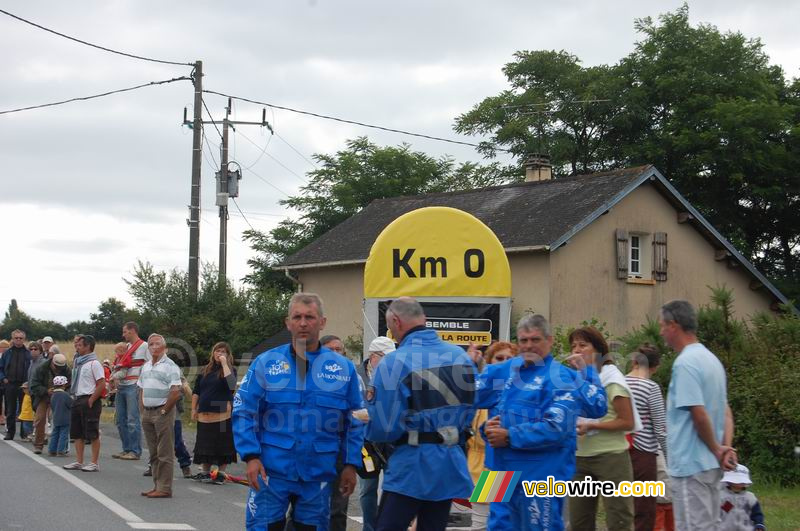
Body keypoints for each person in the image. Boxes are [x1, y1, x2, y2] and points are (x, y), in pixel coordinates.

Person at [233, 293, 364, 531]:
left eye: (310, 317)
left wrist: (351, 464)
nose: (303, 323)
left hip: (318, 474)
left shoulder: (343, 369)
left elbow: (356, 419)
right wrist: (251, 456)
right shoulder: (266, 364)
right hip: (271, 472)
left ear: (322, 322)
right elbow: (244, 411)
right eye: (297, 317)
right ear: (288, 322)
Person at [471, 314, 608, 531]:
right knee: (489, 524)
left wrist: (588, 371)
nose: (528, 346)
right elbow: (465, 395)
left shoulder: (561, 377)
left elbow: (585, 412)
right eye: (523, 341)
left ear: (550, 340)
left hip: (539, 474)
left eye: (535, 340)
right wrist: (485, 429)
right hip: (496, 470)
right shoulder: (504, 372)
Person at [366, 297, 476, 531]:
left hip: (412, 466)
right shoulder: (461, 356)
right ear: (423, 318)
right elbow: (471, 409)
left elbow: (385, 428)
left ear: (395, 321)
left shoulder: (393, 363)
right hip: (450, 462)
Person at [660, 300, 736, 530]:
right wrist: (726, 448)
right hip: (710, 465)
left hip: (690, 465)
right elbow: (725, 411)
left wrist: (716, 447)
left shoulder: (685, 363)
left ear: (674, 325)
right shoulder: (712, 360)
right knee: (709, 525)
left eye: (663, 326)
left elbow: (698, 413)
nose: (662, 332)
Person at [568, 326, 640, 531]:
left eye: (583, 345)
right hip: (580, 457)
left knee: (619, 520)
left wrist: (592, 424)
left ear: (598, 350)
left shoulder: (611, 379)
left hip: (611, 458)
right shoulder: (575, 380)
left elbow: (628, 422)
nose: (577, 350)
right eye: (573, 346)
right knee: (579, 521)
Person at [465, 341, 516, 531]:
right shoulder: (487, 386)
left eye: (509, 359)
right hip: (476, 464)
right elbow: (467, 392)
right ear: (489, 361)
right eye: (499, 358)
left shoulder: (516, 389)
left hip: (500, 465)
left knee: (499, 522)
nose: (503, 363)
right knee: (479, 523)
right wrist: (470, 363)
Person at [626, 343, 668, 531]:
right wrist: (669, 456)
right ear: (655, 367)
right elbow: (660, 429)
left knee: (623, 506)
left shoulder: (617, 383)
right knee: (644, 509)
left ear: (634, 361)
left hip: (618, 452)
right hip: (644, 454)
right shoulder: (651, 388)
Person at [356, 335, 396, 531]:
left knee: (392, 488)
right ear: (372, 357)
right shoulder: (357, 376)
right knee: (367, 489)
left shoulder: (396, 374)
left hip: (390, 442)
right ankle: (370, 528)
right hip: (366, 442)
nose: (390, 362)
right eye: (385, 357)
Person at [138, 333, 183, 498]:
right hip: (147, 412)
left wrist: (164, 410)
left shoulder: (170, 366)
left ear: (164, 347)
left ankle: (164, 488)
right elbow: (141, 387)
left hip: (162, 411)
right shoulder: (146, 365)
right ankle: (157, 485)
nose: (154, 347)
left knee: (164, 452)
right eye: (151, 344)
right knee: (153, 452)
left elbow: (176, 391)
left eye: (157, 344)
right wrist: (142, 408)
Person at [191, 342, 237, 482]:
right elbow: (196, 391)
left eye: (223, 351)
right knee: (205, 442)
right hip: (205, 414)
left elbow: (231, 386)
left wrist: (224, 364)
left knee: (223, 443)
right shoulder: (205, 370)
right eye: (217, 351)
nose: (220, 353)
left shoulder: (230, 370)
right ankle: (205, 471)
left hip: (223, 414)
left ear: (228, 355)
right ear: (213, 353)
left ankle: (221, 473)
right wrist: (193, 408)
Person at [63, 334, 105, 472]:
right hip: (77, 397)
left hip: (88, 398)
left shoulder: (94, 363)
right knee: (77, 432)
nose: (77, 347)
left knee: (92, 432)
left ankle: (94, 462)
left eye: (80, 345)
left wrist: (92, 399)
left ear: (88, 347)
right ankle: (79, 461)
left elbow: (101, 383)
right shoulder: (78, 362)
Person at [112, 321, 148, 460]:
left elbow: (148, 364)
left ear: (132, 331)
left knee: (133, 419)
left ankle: (135, 450)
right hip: (121, 384)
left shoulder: (144, 346)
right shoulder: (125, 347)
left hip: (134, 384)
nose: (123, 334)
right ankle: (126, 448)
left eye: (125, 331)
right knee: (120, 419)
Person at [30, 352, 70, 453]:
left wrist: (63, 393)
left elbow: (70, 384)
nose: (58, 369)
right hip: (43, 396)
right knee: (40, 418)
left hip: (60, 396)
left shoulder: (66, 370)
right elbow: (34, 385)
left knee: (62, 421)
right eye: (56, 366)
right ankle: (38, 445)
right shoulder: (41, 368)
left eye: (61, 367)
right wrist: (46, 391)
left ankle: (62, 447)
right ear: (52, 362)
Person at [0, 330, 32, 440]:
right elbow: (1, 368)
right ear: (13, 339)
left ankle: (24, 433)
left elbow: (31, 368)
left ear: (24, 339)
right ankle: (10, 432)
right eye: (16, 338)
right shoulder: (7, 353)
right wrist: (3, 378)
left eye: (20, 338)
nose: (18, 340)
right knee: (10, 410)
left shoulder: (28, 353)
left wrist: (29, 381)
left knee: (25, 409)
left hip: (24, 385)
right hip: (10, 384)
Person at [719, 464, 765, 530]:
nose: (740, 482)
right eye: (736, 480)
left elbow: (757, 514)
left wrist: (759, 524)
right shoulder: (721, 496)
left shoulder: (750, 497)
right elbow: (715, 515)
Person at [48, 375, 72, 456]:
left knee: (55, 434)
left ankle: (52, 450)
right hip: (65, 417)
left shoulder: (53, 395)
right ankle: (61, 450)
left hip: (55, 417)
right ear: (63, 385)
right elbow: (71, 404)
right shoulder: (65, 395)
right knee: (63, 434)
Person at [0, 338, 9, 426]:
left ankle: (5, 415)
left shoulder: (8, 356)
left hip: (6, 381)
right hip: (1, 380)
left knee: (7, 400)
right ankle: (1, 417)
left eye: (6, 347)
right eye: (2, 347)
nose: (4, 348)